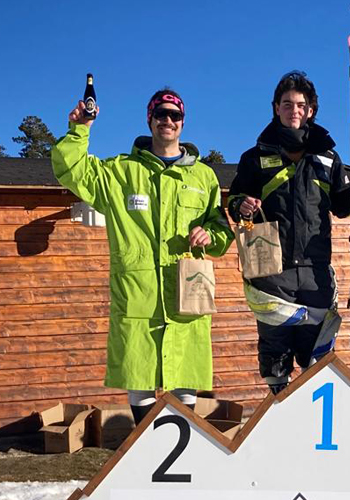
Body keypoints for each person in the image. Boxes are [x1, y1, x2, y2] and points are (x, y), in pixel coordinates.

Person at [51, 88, 234, 424]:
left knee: (186, 370)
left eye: (174, 115)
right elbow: (72, 170)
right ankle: (145, 444)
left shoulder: (204, 177)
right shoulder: (121, 172)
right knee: (139, 370)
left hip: (185, 291)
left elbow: (221, 228)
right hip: (138, 293)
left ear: (182, 123)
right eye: (160, 114)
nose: (167, 120)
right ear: (149, 119)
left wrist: (210, 235)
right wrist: (80, 130)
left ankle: (183, 444)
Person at [227, 70, 350, 394]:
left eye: (300, 105)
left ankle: (313, 432)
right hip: (271, 273)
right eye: (286, 104)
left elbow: (342, 207)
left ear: (310, 110)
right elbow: (235, 198)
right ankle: (280, 413)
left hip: (315, 274)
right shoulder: (254, 158)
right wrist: (242, 205)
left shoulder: (328, 158)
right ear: (275, 108)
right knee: (275, 358)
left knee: (317, 359)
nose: (293, 110)